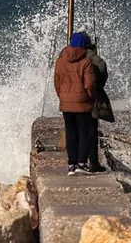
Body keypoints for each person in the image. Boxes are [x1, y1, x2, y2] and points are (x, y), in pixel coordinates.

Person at [53, 32, 97, 176]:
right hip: (83, 104)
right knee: (84, 134)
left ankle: (71, 165)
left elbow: (57, 83)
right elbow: (89, 85)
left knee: (71, 134)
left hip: (66, 104)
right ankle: (81, 164)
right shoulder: (86, 63)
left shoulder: (60, 62)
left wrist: (63, 97)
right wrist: (92, 98)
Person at [84, 35, 114, 173]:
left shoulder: (65, 56)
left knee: (76, 131)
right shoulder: (91, 56)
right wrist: (98, 86)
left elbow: (58, 78)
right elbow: (102, 67)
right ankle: (93, 163)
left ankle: (77, 163)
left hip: (71, 102)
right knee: (91, 131)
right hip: (88, 100)